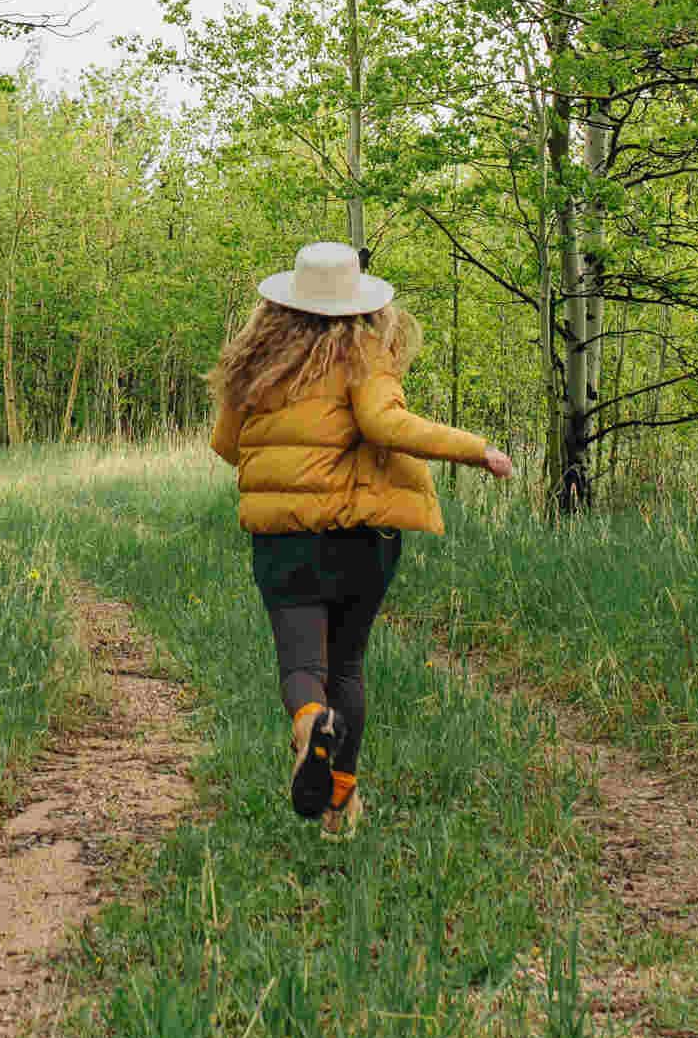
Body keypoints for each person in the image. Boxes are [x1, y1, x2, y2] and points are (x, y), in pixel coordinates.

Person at [208, 241, 516, 838]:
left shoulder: (252, 363)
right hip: (359, 540)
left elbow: (227, 445)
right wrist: (476, 449)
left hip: (284, 541)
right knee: (347, 666)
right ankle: (339, 805)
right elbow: (385, 425)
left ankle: (308, 720)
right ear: (360, 301)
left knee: (303, 666)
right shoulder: (365, 352)